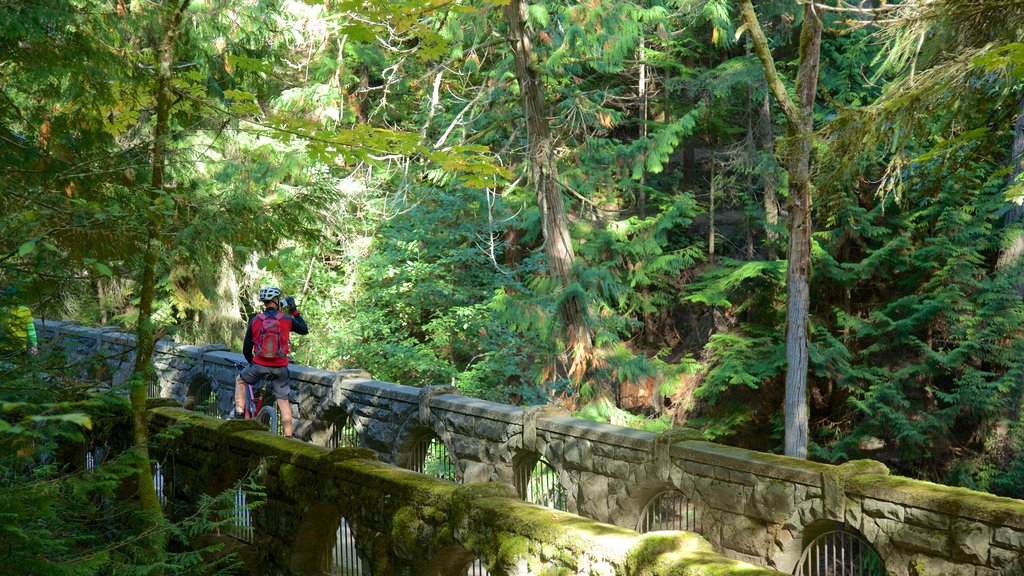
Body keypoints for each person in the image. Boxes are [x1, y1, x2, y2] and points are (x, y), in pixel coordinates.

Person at [234, 286, 308, 438]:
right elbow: (304, 329)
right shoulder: (286, 319)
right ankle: (288, 437)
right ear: (276, 301)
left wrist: (252, 364)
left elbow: (246, 349)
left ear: (265, 303)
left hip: (259, 366)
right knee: (283, 400)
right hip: (280, 367)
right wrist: (294, 310)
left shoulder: (255, 320)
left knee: (240, 380)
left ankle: (239, 415)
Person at [0, 286, 37, 356]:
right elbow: (31, 330)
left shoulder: (3, 310)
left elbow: (31, 329)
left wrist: (34, 345)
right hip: (18, 348)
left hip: (7, 348)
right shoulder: (25, 310)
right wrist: (34, 346)